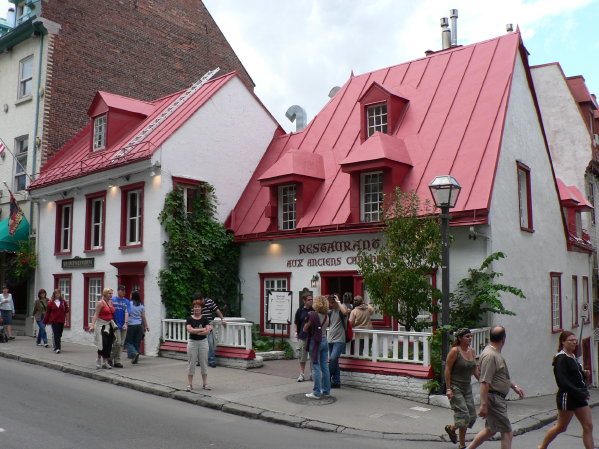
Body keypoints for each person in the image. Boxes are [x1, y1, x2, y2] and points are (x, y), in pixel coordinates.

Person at [464, 326, 524, 449]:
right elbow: (484, 382)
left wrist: (514, 387)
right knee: (507, 431)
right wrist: (484, 405)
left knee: (491, 430)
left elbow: (500, 376)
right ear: (503, 339)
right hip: (495, 399)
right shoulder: (490, 355)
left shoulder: (494, 353)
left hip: (496, 397)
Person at [538, 331, 594, 449]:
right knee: (561, 427)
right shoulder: (561, 358)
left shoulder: (573, 357)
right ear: (563, 342)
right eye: (571, 340)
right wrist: (579, 392)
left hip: (579, 397)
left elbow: (574, 375)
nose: (574, 342)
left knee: (588, 426)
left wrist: (584, 374)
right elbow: (563, 381)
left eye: (575, 340)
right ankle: (542, 447)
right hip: (567, 397)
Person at [444, 328, 480, 448]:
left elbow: (475, 369)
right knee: (463, 415)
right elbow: (447, 369)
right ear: (460, 338)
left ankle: (451, 428)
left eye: (471, 336)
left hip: (467, 388)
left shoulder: (472, 351)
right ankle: (462, 445)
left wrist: (483, 382)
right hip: (455, 387)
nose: (470, 338)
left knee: (472, 417)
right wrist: (448, 389)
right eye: (467, 336)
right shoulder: (455, 351)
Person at [304, 295, 330, 399]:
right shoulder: (327, 316)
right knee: (325, 366)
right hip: (324, 340)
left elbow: (306, 328)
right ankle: (326, 390)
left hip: (315, 342)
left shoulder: (313, 315)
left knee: (315, 366)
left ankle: (316, 392)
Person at [186, 299, 212, 391]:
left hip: (203, 342)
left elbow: (208, 331)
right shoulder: (189, 319)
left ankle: (205, 384)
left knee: (204, 362)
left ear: (201, 308)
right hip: (192, 342)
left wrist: (198, 331)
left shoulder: (204, 319)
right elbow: (190, 330)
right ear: (193, 308)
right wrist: (201, 330)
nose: (197, 308)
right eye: (195, 307)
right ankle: (190, 384)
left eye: (198, 307)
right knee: (191, 362)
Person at [195, 292, 226, 368]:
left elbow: (217, 310)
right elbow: (193, 315)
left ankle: (211, 360)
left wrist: (222, 319)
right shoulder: (195, 304)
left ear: (202, 299)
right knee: (199, 344)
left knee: (210, 342)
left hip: (208, 326)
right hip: (199, 326)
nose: (198, 303)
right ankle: (199, 360)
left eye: (199, 301)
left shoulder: (209, 302)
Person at [89, 288, 116, 369]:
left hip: (109, 325)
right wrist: (92, 325)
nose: (111, 295)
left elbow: (112, 313)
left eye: (111, 293)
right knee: (103, 343)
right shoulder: (100, 303)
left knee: (109, 344)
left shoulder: (111, 302)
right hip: (101, 325)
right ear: (105, 294)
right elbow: (96, 314)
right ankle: (98, 359)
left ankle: (105, 362)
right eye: (109, 293)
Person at [327, 294, 349, 388]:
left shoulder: (341, 310)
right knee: (334, 361)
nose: (331, 304)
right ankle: (336, 382)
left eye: (333, 303)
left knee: (332, 358)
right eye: (330, 303)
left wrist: (339, 302)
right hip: (330, 339)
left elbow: (345, 312)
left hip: (339, 339)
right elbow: (319, 310)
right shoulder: (330, 312)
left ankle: (326, 379)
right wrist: (324, 300)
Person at [294, 292, 314, 382]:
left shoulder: (313, 310)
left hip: (312, 336)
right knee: (302, 356)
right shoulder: (300, 310)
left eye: (311, 299)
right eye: (309, 300)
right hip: (302, 336)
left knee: (312, 356)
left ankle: (312, 373)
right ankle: (301, 374)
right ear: (304, 300)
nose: (311, 301)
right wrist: (296, 332)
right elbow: (296, 322)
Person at [43, 289, 70, 354]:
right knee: (56, 334)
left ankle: (57, 345)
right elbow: (47, 313)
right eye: (56, 293)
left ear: (60, 294)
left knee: (60, 334)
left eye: (58, 293)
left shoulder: (63, 302)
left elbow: (67, 311)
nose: (57, 295)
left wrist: (67, 320)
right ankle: (57, 348)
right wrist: (45, 322)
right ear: (54, 294)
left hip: (61, 320)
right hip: (54, 321)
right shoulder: (50, 303)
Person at [125, 290, 148, 364]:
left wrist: (125, 323)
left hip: (131, 325)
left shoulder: (129, 304)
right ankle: (135, 358)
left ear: (133, 296)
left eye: (131, 294)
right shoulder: (141, 305)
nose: (130, 296)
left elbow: (127, 314)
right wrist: (146, 326)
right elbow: (143, 317)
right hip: (139, 325)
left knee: (128, 342)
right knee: (137, 342)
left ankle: (134, 353)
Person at [110, 285, 130, 368]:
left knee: (121, 343)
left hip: (123, 324)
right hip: (115, 324)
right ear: (118, 291)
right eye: (122, 290)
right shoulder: (113, 300)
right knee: (117, 342)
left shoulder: (126, 301)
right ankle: (110, 358)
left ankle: (117, 361)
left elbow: (127, 312)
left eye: (124, 290)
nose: (123, 292)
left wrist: (125, 323)